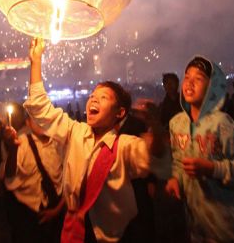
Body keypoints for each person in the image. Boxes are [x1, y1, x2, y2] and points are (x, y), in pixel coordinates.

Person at [23, 37, 159, 243]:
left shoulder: (125, 145)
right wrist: (36, 61)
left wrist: (155, 126)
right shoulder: (74, 132)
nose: (93, 99)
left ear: (120, 113)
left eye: (103, 97)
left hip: (113, 236)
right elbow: (41, 108)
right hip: (74, 229)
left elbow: (155, 159)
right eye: (93, 96)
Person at [165, 56, 234, 242]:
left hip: (228, 224)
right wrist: (176, 179)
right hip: (196, 223)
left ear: (212, 87)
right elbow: (178, 160)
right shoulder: (176, 124)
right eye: (187, 77)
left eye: (198, 79)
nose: (189, 83)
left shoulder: (222, 124)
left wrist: (212, 169)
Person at [1, 104, 65, 243]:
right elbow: (10, 174)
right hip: (27, 213)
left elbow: (70, 179)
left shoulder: (59, 143)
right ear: (28, 123)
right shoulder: (22, 142)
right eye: (35, 118)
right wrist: (12, 149)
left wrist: (57, 210)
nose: (41, 121)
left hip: (56, 209)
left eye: (44, 117)